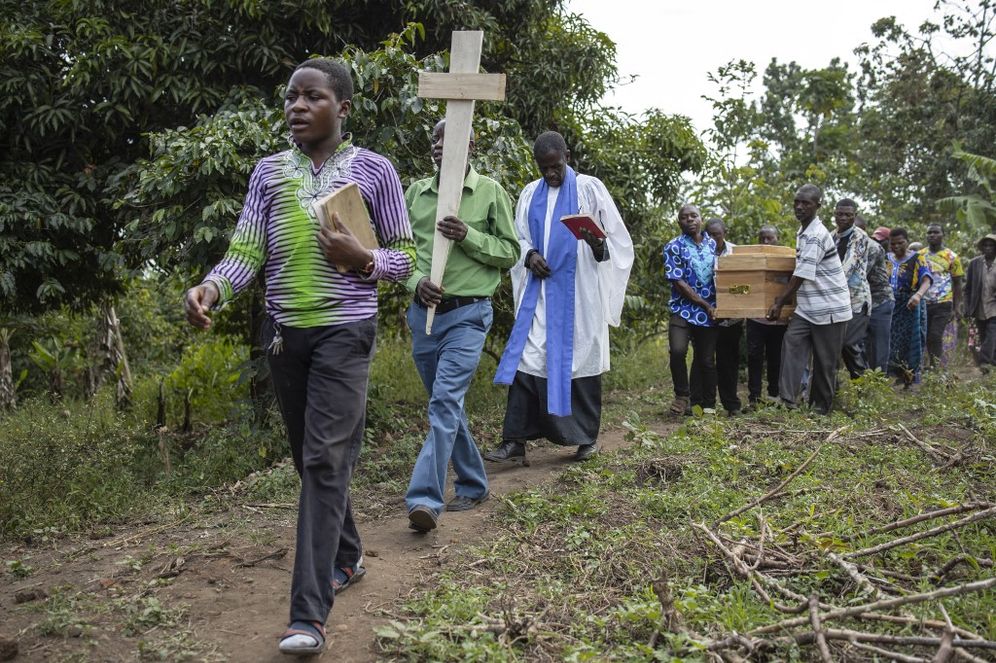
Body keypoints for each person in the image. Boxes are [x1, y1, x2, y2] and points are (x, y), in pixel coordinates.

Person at [184, 59, 416, 656]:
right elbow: (245, 250)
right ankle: (347, 553)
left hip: (347, 334)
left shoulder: (375, 171)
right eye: (290, 97)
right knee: (308, 458)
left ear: (342, 106)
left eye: (311, 97)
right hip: (285, 336)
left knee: (323, 461)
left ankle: (307, 616)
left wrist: (361, 257)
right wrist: (212, 288)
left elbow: (404, 259)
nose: (296, 107)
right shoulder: (267, 173)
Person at [488, 131, 633, 464]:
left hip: (580, 296)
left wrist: (597, 244)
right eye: (544, 169)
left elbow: (619, 242)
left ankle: (586, 439)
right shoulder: (529, 193)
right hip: (539, 294)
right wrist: (529, 255)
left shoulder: (589, 189)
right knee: (528, 357)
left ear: (566, 156)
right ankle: (515, 440)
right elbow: (518, 236)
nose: (551, 174)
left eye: (556, 166)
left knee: (579, 361)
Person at [403, 120, 518, 532]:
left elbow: (509, 252)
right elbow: (401, 253)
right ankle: (472, 481)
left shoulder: (489, 192)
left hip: (469, 315)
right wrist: (416, 283)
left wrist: (469, 236)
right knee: (446, 404)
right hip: (425, 317)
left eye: (448, 139)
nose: (439, 146)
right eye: (434, 138)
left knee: (443, 402)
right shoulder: (416, 193)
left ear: (469, 146)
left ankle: (423, 500)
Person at [767, 184, 852, 414]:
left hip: (830, 307)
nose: (799, 206)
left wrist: (779, 302)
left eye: (806, 203)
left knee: (825, 362)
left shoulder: (815, 234)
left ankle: (820, 410)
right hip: (808, 307)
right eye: (797, 202)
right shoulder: (803, 231)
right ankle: (788, 401)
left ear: (818, 206)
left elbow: (802, 273)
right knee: (792, 343)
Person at [661, 205, 718, 416]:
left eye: (694, 216)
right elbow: (678, 282)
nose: (690, 220)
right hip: (682, 308)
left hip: (709, 312)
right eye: (684, 217)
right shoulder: (673, 246)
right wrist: (705, 304)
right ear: (679, 223)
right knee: (677, 351)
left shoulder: (713, 245)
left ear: (701, 219)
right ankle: (681, 395)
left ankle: (705, 403)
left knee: (705, 360)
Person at [704, 218, 743, 415]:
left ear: (724, 233)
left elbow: (745, 283)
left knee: (728, 362)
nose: (712, 238)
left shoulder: (736, 252)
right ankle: (706, 404)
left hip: (731, 318)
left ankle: (731, 404)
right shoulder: (701, 252)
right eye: (709, 234)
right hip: (707, 316)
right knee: (706, 361)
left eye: (716, 235)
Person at [746, 226, 788, 405]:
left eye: (769, 238)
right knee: (754, 358)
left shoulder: (786, 260)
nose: (765, 242)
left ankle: (773, 395)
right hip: (756, 319)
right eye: (762, 238)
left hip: (779, 321)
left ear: (777, 238)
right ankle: (754, 398)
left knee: (776, 358)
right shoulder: (752, 260)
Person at [831, 199, 872, 379]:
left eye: (848, 215)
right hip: (834, 300)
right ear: (835, 214)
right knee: (834, 346)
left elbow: (848, 266)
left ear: (854, 216)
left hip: (856, 300)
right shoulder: (831, 236)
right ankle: (838, 388)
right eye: (840, 214)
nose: (844, 218)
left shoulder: (860, 236)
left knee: (848, 343)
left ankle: (863, 382)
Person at [886, 227, 933, 386]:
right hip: (890, 304)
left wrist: (918, 295)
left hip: (911, 303)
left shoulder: (918, 258)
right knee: (891, 340)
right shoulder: (886, 258)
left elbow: (926, 279)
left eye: (901, 242)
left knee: (912, 339)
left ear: (907, 241)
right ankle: (894, 375)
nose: (897, 246)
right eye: (893, 243)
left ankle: (911, 377)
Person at [919, 224, 964, 369]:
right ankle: (928, 366)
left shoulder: (952, 256)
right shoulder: (920, 255)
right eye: (929, 232)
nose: (932, 235)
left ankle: (935, 367)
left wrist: (957, 307)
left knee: (935, 335)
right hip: (923, 302)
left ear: (942, 234)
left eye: (936, 232)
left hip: (943, 302)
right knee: (925, 336)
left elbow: (957, 283)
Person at [855, 216, 894, 372]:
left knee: (879, 346)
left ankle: (878, 384)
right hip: (862, 302)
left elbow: (858, 275)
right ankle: (863, 381)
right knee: (858, 343)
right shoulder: (847, 246)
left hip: (879, 301)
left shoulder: (872, 248)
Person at [963, 233, 996, 372]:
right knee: (983, 335)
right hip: (979, 305)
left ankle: (984, 362)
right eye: (985, 245)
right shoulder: (975, 263)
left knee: (992, 332)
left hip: (994, 305)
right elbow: (968, 287)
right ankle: (992, 363)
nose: (988, 248)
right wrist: (966, 307)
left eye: (991, 245)